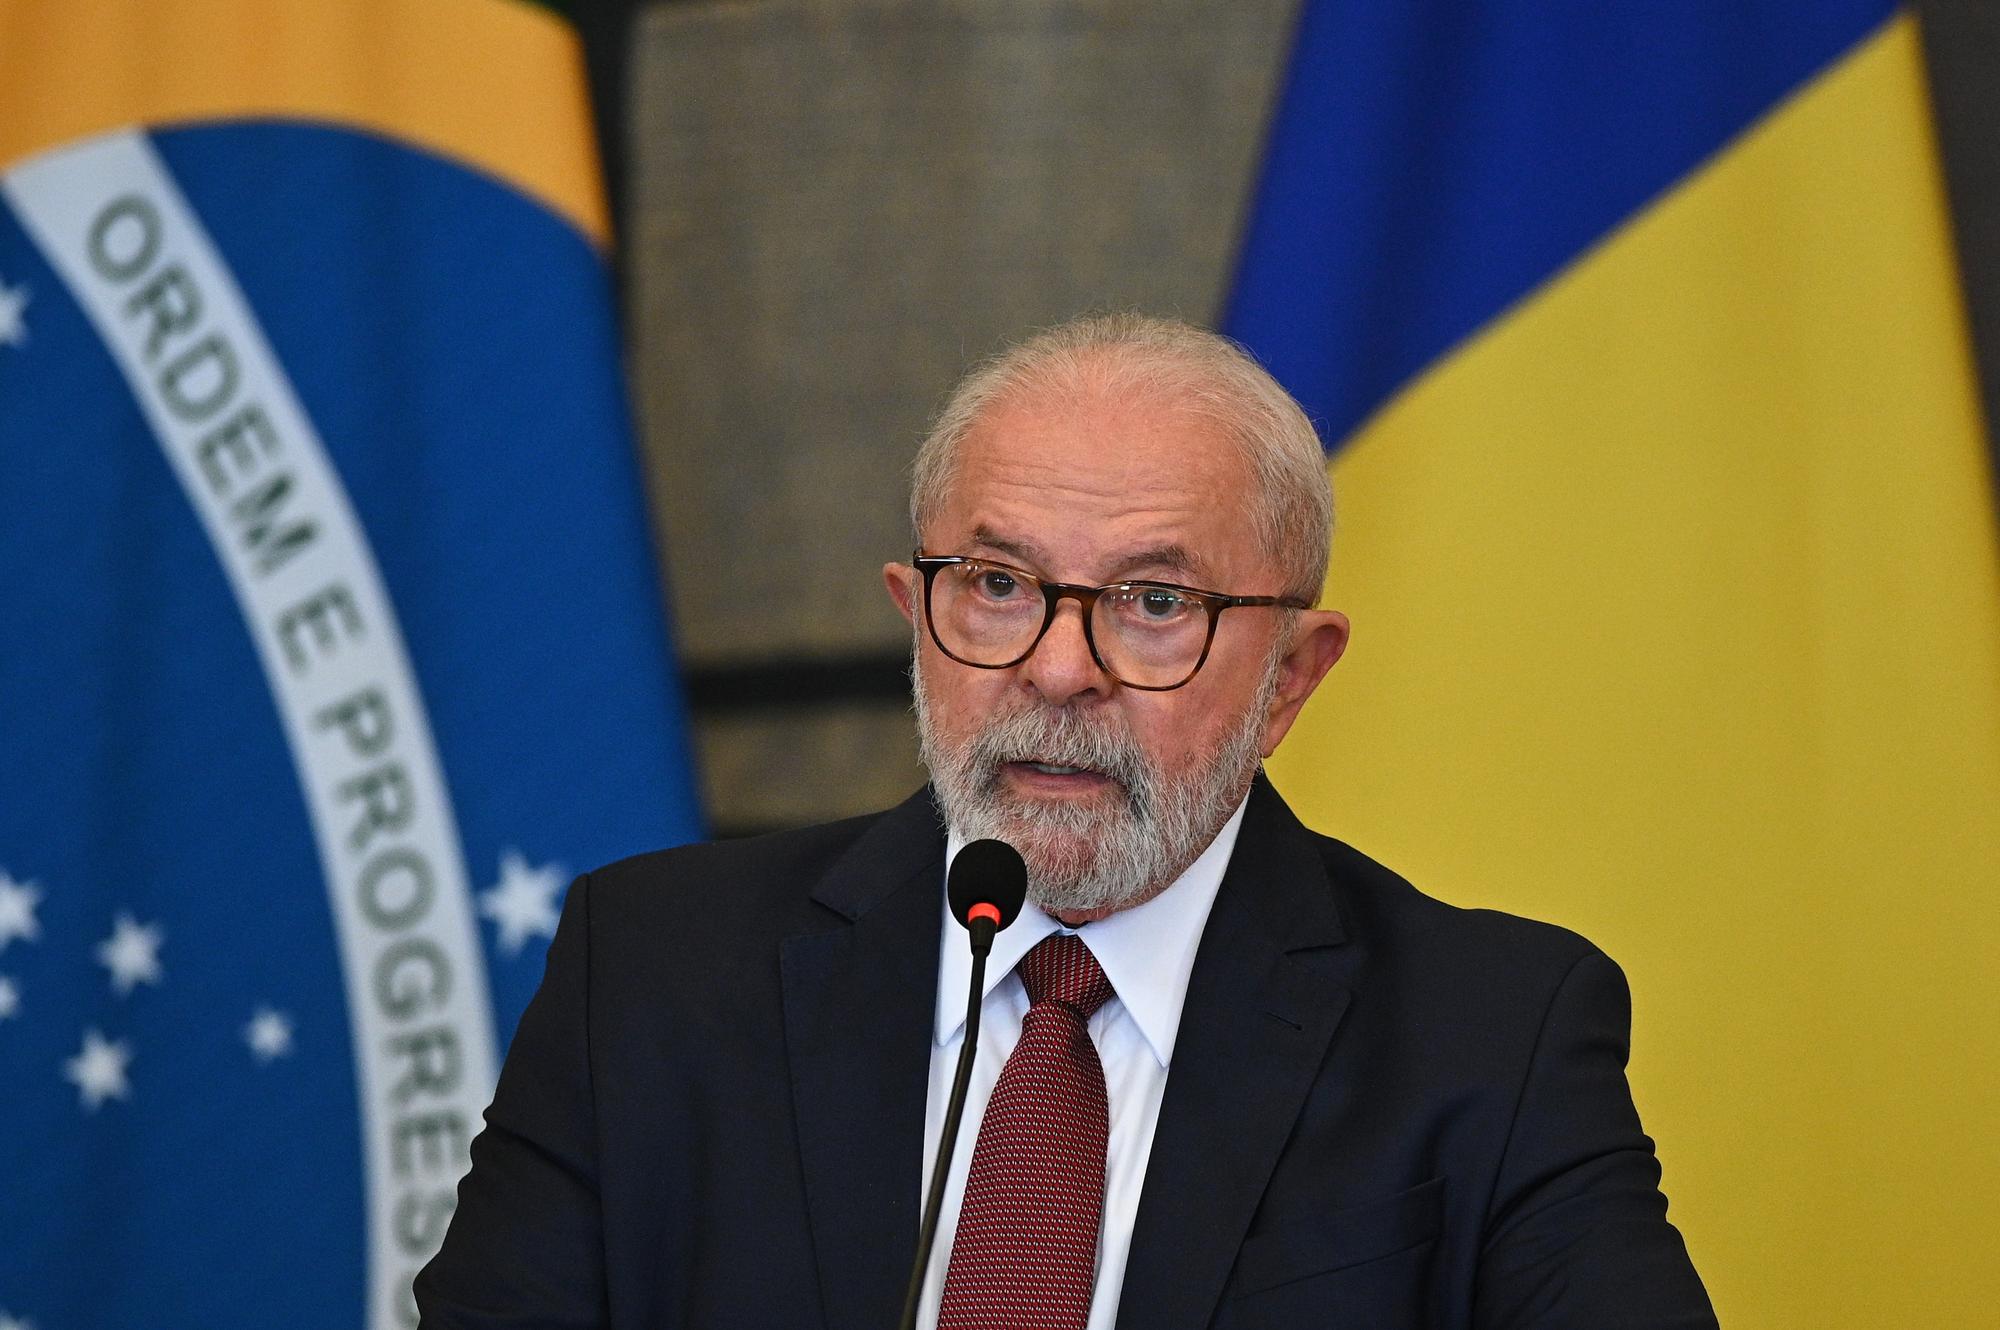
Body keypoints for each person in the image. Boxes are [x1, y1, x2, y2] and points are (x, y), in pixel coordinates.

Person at [416, 314, 1716, 1329]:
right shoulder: (649, 977)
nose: (1055, 666)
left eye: (1155, 603)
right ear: (912, 616)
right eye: (994, 584)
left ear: (1292, 678)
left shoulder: (1488, 1035)